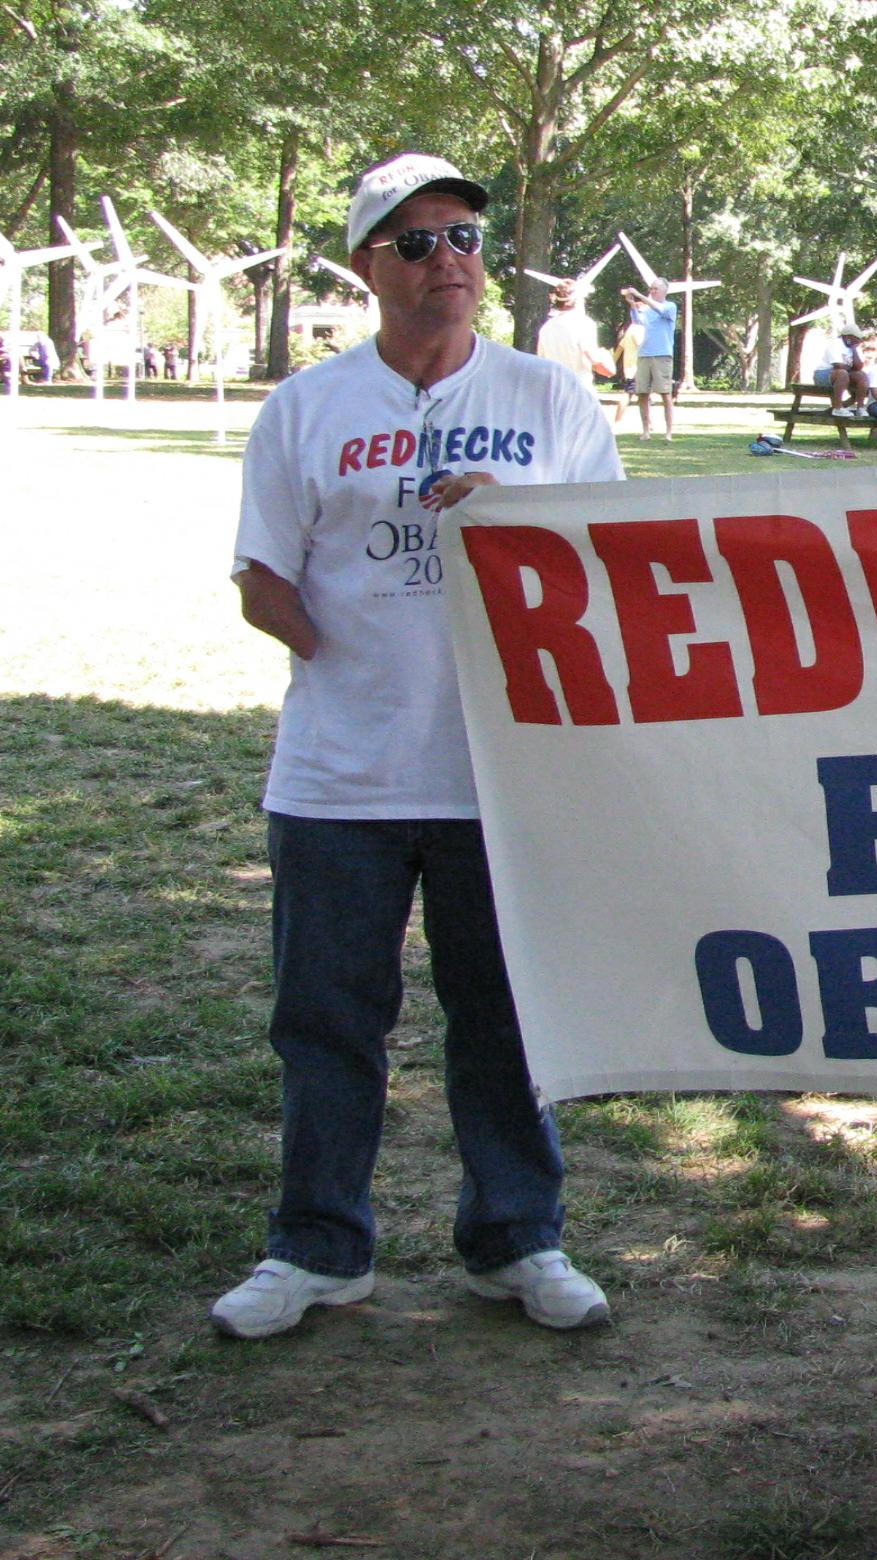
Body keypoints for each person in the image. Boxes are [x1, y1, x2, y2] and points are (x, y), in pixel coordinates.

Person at [212, 152, 622, 1342]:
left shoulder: (551, 401)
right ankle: (317, 1249)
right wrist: (352, 657)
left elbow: (603, 567)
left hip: (501, 773)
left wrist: (512, 524)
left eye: (465, 240)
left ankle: (518, 1238)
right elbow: (260, 578)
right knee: (328, 1020)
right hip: (338, 778)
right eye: (416, 243)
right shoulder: (306, 407)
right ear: (365, 269)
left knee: (503, 1016)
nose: (447, 261)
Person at [536, 281, 619, 426]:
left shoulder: (546, 328)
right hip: (580, 391)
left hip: (555, 394)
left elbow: (541, 362)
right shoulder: (584, 324)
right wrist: (608, 364)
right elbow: (595, 360)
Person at [621, 279, 678, 439]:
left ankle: (668, 432)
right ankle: (646, 431)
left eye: (655, 289)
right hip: (644, 354)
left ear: (664, 291)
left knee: (665, 393)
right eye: (651, 288)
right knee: (642, 393)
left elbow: (660, 310)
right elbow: (638, 320)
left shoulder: (670, 306)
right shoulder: (647, 309)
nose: (652, 291)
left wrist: (640, 295)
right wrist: (632, 304)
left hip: (662, 354)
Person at [812, 326, 868, 416]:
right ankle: (837, 408)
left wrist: (854, 350)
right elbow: (838, 365)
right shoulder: (835, 344)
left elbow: (859, 366)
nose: (859, 340)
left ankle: (860, 408)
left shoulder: (855, 347)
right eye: (856, 338)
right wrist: (853, 368)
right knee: (842, 373)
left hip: (845, 374)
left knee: (862, 375)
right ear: (847, 337)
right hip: (824, 374)